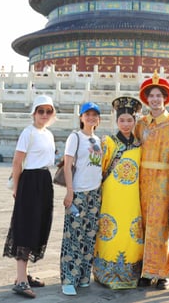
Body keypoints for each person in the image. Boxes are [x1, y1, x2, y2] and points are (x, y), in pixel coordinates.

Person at [4, 95, 57, 299]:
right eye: (40, 111)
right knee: (25, 228)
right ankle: (21, 280)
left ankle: (23, 275)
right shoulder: (28, 132)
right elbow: (18, 162)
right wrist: (17, 188)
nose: (44, 115)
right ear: (34, 113)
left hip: (44, 179)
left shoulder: (48, 134)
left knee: (38, 225)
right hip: (30, 181)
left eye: (48, 111)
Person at [133, 71, 169, 290]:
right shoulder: (141, 124)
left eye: (158, 95)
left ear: (165, 98)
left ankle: (162, 273)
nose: (154, 99)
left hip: (165, 181)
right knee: (143, 225)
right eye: (151, 95)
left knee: (162, 227)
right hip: (143, 181)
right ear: (146, 99)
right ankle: (145, 271)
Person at [93, 96, 144, 290]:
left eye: (129, 120)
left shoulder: (140, 145)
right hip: (112, 198)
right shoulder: (108, 142)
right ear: (116, 122)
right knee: (110, 233)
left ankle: (131, 274)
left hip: (132, 199)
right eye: (122, 120)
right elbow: (98, 170)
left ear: (134, 122)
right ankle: (105, 273)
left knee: (131, 234)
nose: (125, 124)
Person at [60, 101, 103, 296]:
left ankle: (84, 275)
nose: (91, 118)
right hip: (77, 192)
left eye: (95, 115)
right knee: (73, 237)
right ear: (81, 117)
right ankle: (69, 278)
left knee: (89, 236)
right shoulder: (75, 137)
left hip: (95, 193)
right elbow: (67, 165)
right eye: (88, 114)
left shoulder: (98, 140)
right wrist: (70, 191)